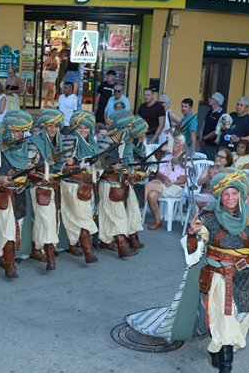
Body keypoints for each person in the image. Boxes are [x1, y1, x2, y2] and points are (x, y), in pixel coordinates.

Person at [186, 169, 249, 373]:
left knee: (242, 319)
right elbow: (195, 247)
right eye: (226, 194)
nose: (230, 198)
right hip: (220, 276)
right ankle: (227, 366)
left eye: (234, 193)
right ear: (219, 196)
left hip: (246, 276)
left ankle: (216, 348)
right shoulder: (208, 217)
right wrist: (192, 232)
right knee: (225, 316)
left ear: (241, 194)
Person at [0, 110, 35, 278]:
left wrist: (30, 169)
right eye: (17, 130)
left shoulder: (28, 145)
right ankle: (10, 264)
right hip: (2, 192)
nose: (21, 134)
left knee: (17, 226)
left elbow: (35, 167)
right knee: (7, 229)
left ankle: (5, 258)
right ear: (9, 128)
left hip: (20, 192)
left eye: (23, 130)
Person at [27, 108, 74, 271]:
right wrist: (32, 167)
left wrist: (69, 161)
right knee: (46, 220)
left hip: (57, 184)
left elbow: (63, 163)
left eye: (56, 126)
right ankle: (50, 256)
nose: (53, 129)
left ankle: (36, 248)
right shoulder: (34, 142)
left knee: (49, 219)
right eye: (50, 126)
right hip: (41, 186)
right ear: (44, 127)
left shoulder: (62, 142)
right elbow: (29, 167)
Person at [97, 111, 141, 258]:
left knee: (112, 215)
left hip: (116, 183)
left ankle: (106, 241)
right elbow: (96, 163)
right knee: (118, 216)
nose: (129, 131)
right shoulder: (105, 141)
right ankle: (122, 247)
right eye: (127, 128)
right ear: (121, 129)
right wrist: (111, 167)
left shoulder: (120, 144)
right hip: (107, 184)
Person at [60, 110, 100, 263]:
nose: (83, 131)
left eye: (86, 128)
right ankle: (88, 252)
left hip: (88, 185)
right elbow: (62, 166)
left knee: (80, 217)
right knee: (83, 218)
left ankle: (73, 245)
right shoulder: (70, 141)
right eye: (80, 127)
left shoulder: (92, 143)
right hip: (73, 186)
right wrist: (79, 165)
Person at [145, 135, 190, 230]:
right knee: (152, 195)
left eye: (176, 143)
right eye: (173, 142)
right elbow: (158, 174)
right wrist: (163, 178)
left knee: (148, 185)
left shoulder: (185, 159)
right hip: (161, 184)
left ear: (182, 146)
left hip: (176, 187)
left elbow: (183, 179)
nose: (173, 144)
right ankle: (158, 220)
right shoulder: (167, 157)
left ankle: (137, 210)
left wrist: (169, 181)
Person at [200, 92, 225, 161]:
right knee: (200, 160)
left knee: (210, 162)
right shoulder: (210, 111)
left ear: (217, 101)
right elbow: (204, 124)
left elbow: (217, 131)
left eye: (211, 98)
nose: (209, 99)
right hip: (204, 142)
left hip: (212, 145)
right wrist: (201, 136)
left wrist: (204, 138)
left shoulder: (222, 114)